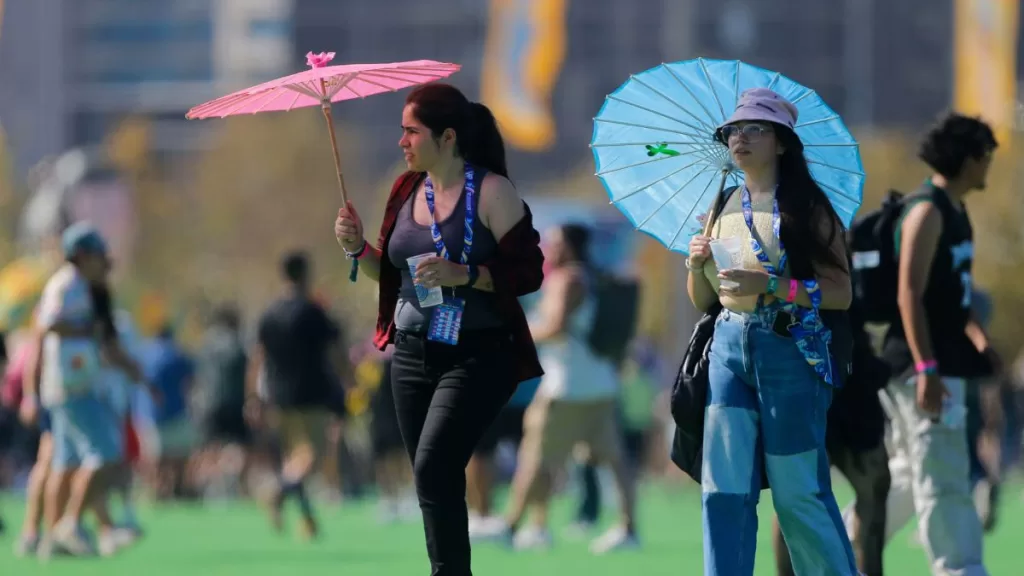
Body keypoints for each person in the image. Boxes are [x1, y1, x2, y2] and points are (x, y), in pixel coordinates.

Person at [333, 82, 544, 576]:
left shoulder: (492, 191)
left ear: (447, 137)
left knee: (434, 467)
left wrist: (466, 274)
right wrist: (356, 247)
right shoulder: (404, 189)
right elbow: (387, 270)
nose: (401, 142)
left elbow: (529, 272)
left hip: (477, 355)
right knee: (432, 479)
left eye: (411, 132)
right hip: (409, 354)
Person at [685, 88, 856, 575]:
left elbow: (841, 292)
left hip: (790, 354)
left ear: (781, 143)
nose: (739, 137)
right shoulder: (720, 206)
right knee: (724, 488)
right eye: (734, 130)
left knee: (797, 488)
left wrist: (775, 285)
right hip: (728, 352)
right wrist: (697, 267)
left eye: (754, 129)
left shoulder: (810, 208)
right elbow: (704, 301)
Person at [875, 112, 996, 575]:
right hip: (923, 369)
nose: (988, 166)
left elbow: (952, 291)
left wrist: (977, 337)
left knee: (909, 474)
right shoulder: (926, 210)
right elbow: (910, 292)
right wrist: (927, 368)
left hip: (941, 365)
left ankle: (842, 547)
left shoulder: (955, 210)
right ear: (968, 158)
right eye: (985, 156)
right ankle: (960, 567)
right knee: (943, 476)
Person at [472, 223, 638, 553]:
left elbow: (556, 326)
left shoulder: (566, 279)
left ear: (570, 247)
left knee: (534, 456)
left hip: (565, 386)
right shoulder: (594, 276)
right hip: (600, 384)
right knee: (616, 460)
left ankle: (512, 525)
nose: (548, 248)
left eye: (554, 243)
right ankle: (628, 530)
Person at [29, 223, 145, 558]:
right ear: (81, 255)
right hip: (71, 384)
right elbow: (48, 323)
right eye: (96, 254)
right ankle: (71, 524)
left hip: (73, 383)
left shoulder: (84, 286)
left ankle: (53, 539)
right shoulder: (67, 285)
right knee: (106, 452)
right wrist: (88, 328)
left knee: (65, 462)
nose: (102, 260)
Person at [776, 296, 891, 576]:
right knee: (797, 494)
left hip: (852, 369)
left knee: (875, 485)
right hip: (801, 369)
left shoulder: (856, 251)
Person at [246, 251, 347, 539]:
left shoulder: (269, 313)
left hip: (278, 396)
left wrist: (252, 397)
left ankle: (307, 519)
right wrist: (348, 379)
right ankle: (276, 491)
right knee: (311, 456)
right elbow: (335, 350)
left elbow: (256, 359)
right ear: (305, 274)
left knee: (294, 458)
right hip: (312, 393)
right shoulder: (313, 311)